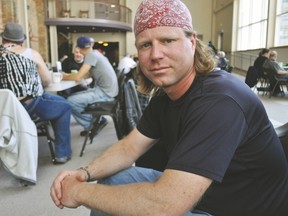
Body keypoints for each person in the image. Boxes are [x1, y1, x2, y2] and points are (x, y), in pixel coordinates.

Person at [50, 1, 288, 215]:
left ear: (192, 42)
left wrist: (79, 192)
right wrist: (84, 173)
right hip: (201, 194)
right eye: (145, 45)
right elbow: (129, 147)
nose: (155, 54)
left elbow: (164, 206)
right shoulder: (166, 95)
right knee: (116, 181)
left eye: (167, 40)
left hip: (234, 208)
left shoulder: (220, 100)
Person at [0, 23, 72, 164]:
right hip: (29, 105)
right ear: (22, 41)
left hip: (4, 111)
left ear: (3, 40)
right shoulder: (31, 53)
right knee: (65, 106)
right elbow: (46, 80)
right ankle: (62, 154)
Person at [62, 36, 118, 137]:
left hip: (105, 93)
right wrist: (67, 76)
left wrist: (63, 77)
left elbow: (79, 76)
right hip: (107, 91)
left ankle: (92, 125)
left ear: (78, 48)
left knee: (70, 102)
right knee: (74, 96)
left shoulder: (90, 56)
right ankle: (98, 121)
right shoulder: (96, 54)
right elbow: (86, 75)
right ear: (90, 45)